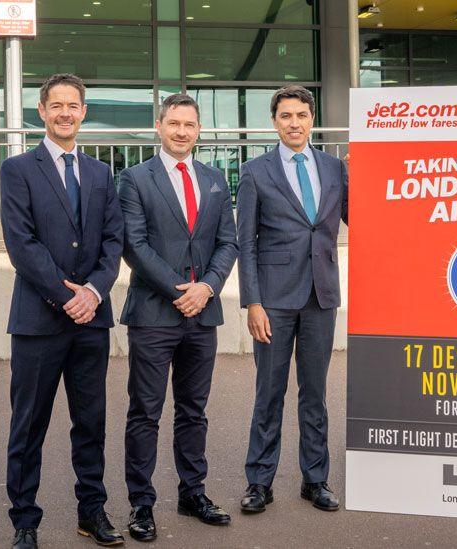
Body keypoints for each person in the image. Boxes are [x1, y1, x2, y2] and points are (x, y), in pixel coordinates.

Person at [0, 73, 125, 548]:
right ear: (42, 111)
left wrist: (92, 292)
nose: (65, 113)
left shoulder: (100, 173)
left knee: (90, 423)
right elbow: (21, 243)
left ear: (84, 112)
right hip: (38, 321)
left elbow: (114, 241)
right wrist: (66, 294)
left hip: (90, 321)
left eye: (73, 105)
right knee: (28, 426)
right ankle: (24, 521)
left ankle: (91, 512)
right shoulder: (17, 169)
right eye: (57, 105)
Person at [117, 93, 239, 541]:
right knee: (145, 411)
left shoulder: (215, 179)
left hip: (202, 314)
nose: (181, 132)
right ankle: (141, 504)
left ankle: (193, 493)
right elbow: (135, 245)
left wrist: (207, 287)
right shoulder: (134, 179)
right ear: (159, 125)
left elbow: (229, 240)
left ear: (199, 129)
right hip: (153, 314)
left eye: (189, 124)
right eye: (173, 124)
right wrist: (179, 291)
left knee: (194, 410)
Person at [236, 85, 348, 513]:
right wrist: (253, 302)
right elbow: (245, 243)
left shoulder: (335, 169)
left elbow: (358, 216)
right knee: (269, 393)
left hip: (321, 297)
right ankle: (259, 482)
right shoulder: (255, 171)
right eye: (286, 116)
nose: (294, 123)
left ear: (312, 119)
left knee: (315, 394)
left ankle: (315, 480)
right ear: (275, 122)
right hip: (274, 302)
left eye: (301, 115)